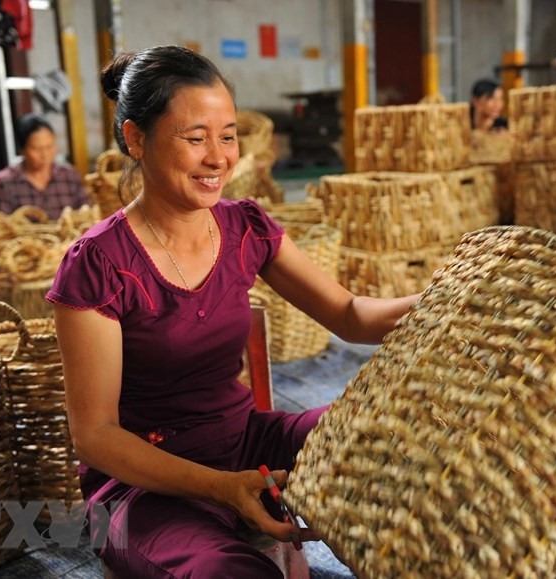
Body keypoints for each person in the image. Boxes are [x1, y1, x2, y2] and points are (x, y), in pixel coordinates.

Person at [46, 45, 418, 577]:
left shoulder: (246, 227)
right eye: (195, 138)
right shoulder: (100, 265)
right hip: (140, 490)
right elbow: (95, 436)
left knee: (391, 441)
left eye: (228, 136)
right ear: (134, 138)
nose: (219, 157)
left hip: (246, 441)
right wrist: (222, 488)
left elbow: (351, 314)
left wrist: (445, 298)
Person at [0, 113, 89, 219]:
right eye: (37, 149)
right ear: (22, 150)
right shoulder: (5, 182)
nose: (45, 154)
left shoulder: (70, 175)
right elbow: (2, 226)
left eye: (49, 146)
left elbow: (86, 215)